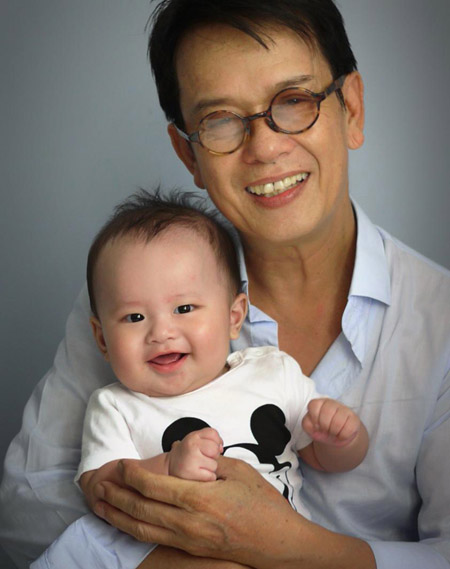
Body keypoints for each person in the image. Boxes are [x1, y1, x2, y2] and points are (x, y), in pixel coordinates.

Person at [0, 0, 449, 568]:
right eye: (220, 121)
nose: (264, 148)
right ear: (188, 154)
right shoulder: (133, 302)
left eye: (294, 101)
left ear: (352, 110)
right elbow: (25, 509)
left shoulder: (440, 322)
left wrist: (283, 549)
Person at [76, 190, 368, 521]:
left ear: (233, 317)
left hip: (287, 546)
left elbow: (323, 460)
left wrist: (341, 439)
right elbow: (100, 489)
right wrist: (167, 466)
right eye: (135, 317)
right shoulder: (116, 408)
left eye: (184, 308)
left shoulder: (272, 374)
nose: (161, 332)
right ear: (102, 339)